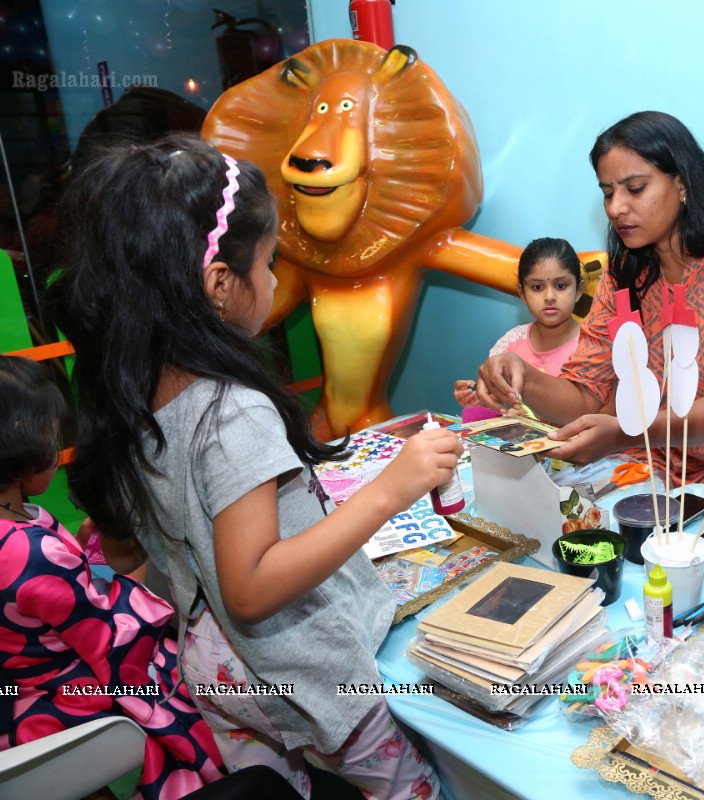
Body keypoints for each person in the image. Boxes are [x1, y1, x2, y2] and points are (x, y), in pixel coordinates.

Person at [48, 135, 456, 799]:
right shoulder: (231, 410)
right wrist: (391, 490)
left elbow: (146, 550)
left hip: (213, 668)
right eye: (268, 264)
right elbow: (253, 584)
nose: (272, 282)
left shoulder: (134, 390)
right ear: (219, 285)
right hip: (300, 669)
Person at [475, 111, 704, 510]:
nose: (616, 207)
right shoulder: (627, 272)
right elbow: (587, 391)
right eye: (607, 192)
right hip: (673, 457)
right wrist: (523, 379)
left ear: (683, 183)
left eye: (635, 189)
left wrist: (628, 433)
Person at [0, 355, 225, 799]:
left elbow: (66, 598)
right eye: (52, 434)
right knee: (201, 675)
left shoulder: (21, 524)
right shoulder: (29, 551)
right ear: (21, 444)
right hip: (62, 688)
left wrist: (92, 557)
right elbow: (112, 637)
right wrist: (122, 562)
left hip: (16, 676)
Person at [454, 237, 583, 416]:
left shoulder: (591, 347)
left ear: (578, 290)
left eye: (561, 286)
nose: (549, 297)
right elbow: (498, 401)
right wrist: (478, 398)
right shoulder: (511, 343)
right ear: (522, 292)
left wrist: (531, 420)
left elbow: (591, 413)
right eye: (537, 287)